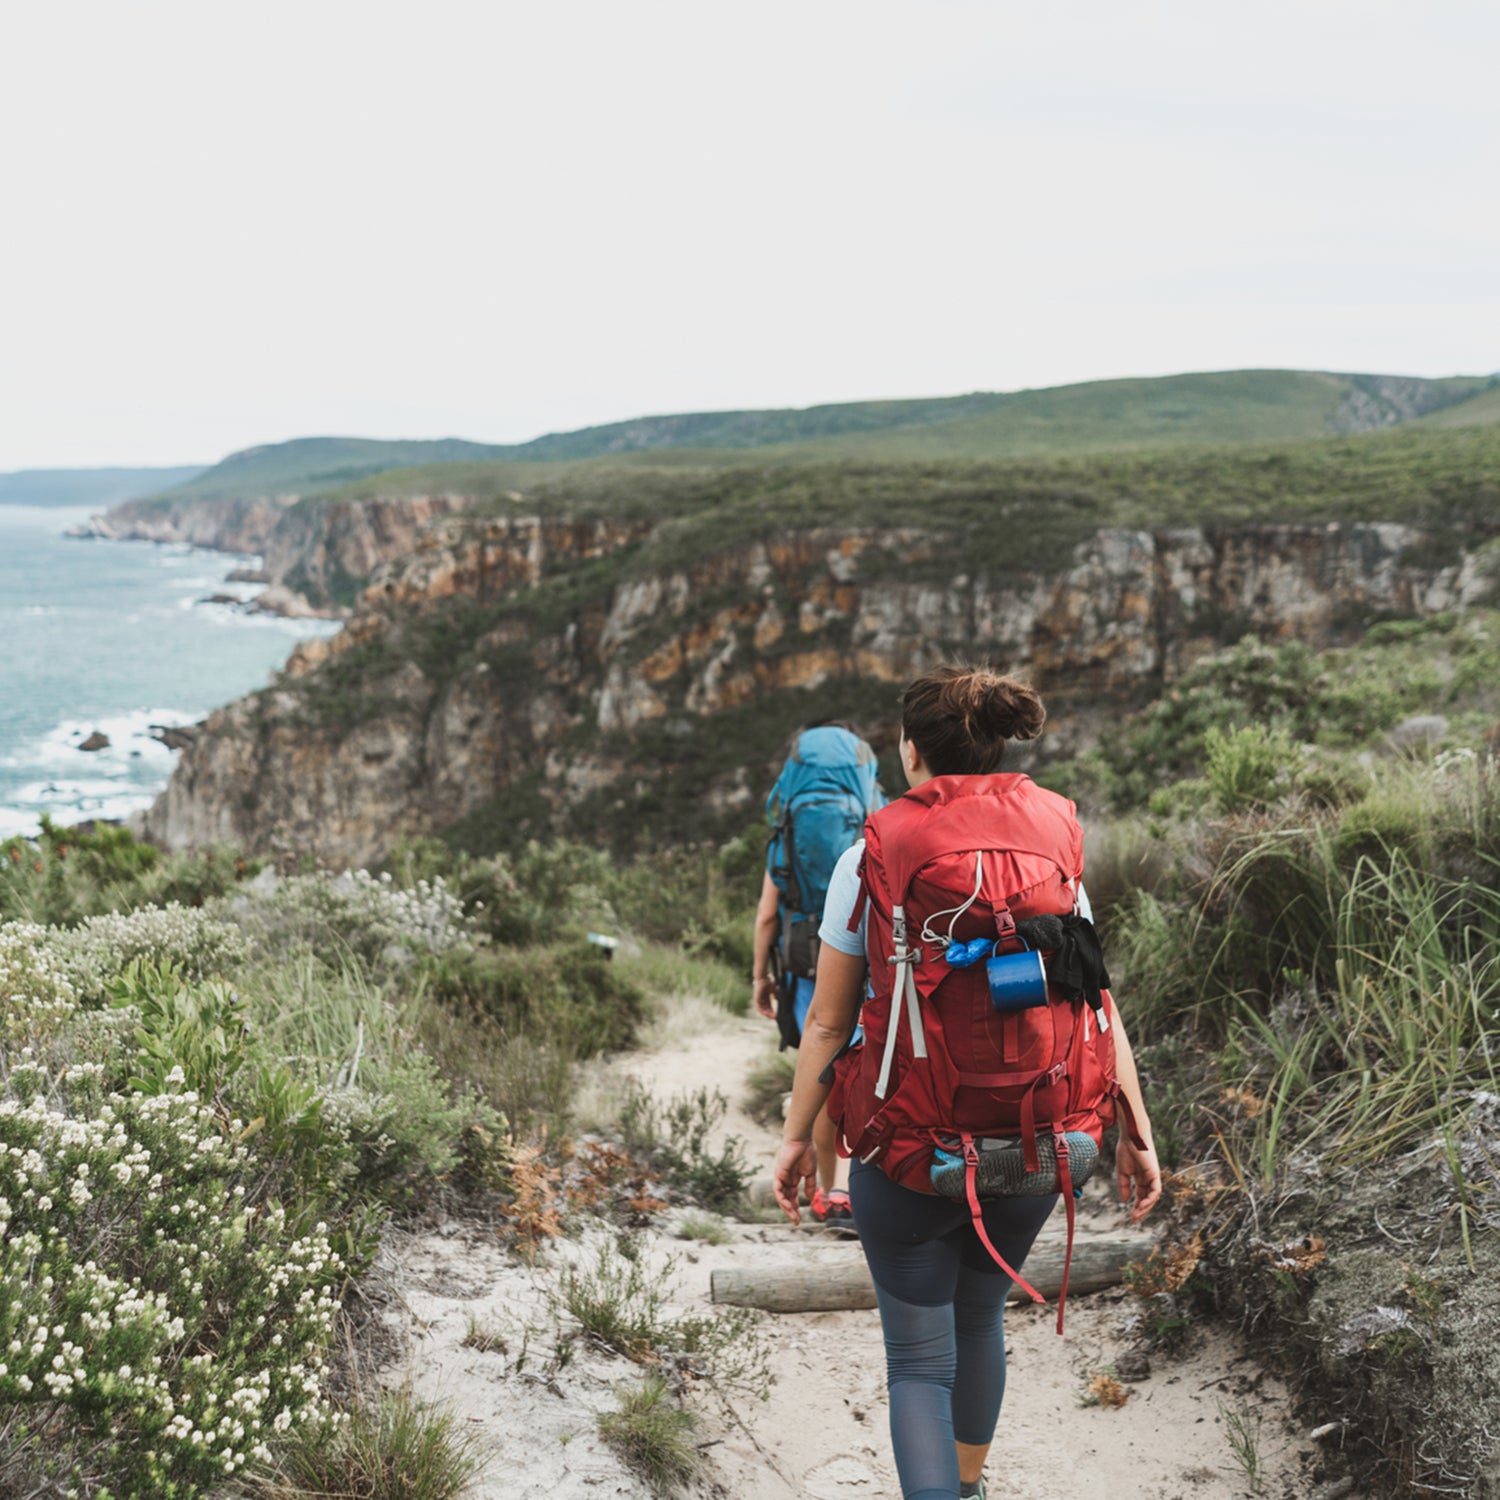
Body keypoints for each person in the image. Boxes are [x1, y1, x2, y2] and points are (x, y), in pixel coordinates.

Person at [772, 665, 1161, 1500]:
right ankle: (969, 1487)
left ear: (911, 752)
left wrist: (799, 1136)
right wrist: (1136, 1131)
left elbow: (831, 1025)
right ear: (993, 744)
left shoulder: (869, 852)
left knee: (918, 1360)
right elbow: (1096, 1002)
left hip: (910, 1145)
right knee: (980, 1317)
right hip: (1038, 1138)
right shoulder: (1056, 838)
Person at [752, 722, 884, 1226]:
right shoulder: (873, 817)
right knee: (868, 1069)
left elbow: (767, 915)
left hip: (808, 962)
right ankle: (871, 1182)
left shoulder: (785, 833)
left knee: (824, 1069)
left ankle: (835, 1191)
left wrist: (760, 977)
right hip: (867, 960)